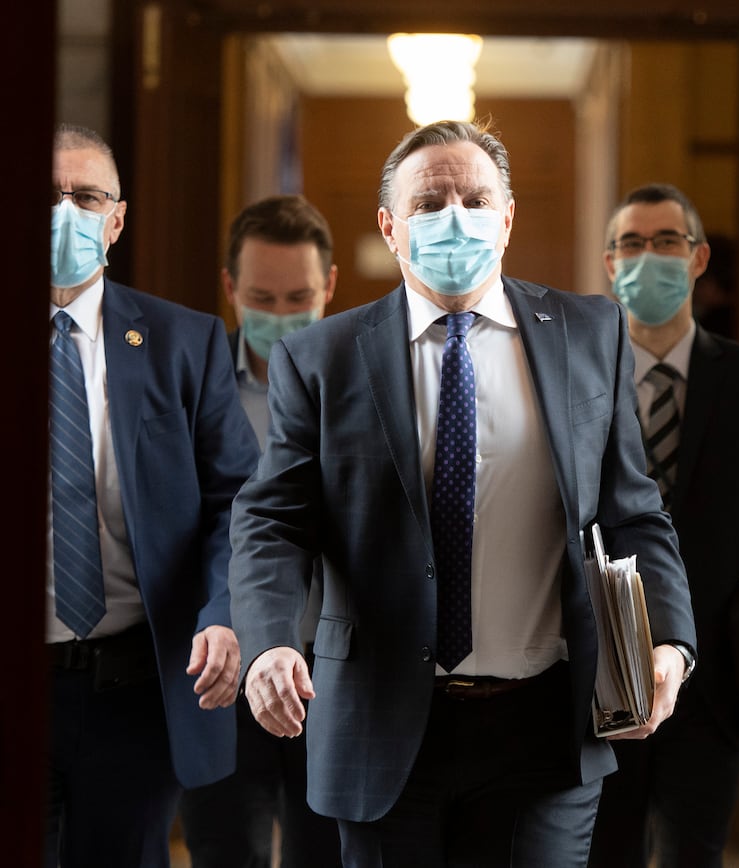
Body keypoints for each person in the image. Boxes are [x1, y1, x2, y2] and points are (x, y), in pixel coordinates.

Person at [227, 119, 696, 867]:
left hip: (544, 725)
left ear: (508, 218)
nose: (455, 218)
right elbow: (273, 521)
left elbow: (633, 509)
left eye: (476, 199)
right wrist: (268, 644)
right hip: (380, 725)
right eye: (429, 203)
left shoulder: (588, 333)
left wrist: (667, 643)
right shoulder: (322, 357)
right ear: (390, 227)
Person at [45, 123, 260, 867]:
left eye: (85, 195)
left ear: (117, 218)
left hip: (134, 691)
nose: (66, 211)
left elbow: (239, 498)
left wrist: (223, 614)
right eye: (49, 195)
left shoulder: (179, 340)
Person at [588, 183, 739, 868]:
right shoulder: (578, 377)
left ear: (699, 258)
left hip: (713, 673)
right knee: (604, 852)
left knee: (695, 851)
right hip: (599, 669)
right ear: (608, 262)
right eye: (632, 244)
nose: (648, 257)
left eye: (666, 242)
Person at [179, 194, 341, 868]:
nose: (280, 316)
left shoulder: (362, 381)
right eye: (262, 297)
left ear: (330, 286)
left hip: (330, 671)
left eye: (299, 295)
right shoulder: (192, 384)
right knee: (224, 850)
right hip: (220, 672)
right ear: (231, 290)